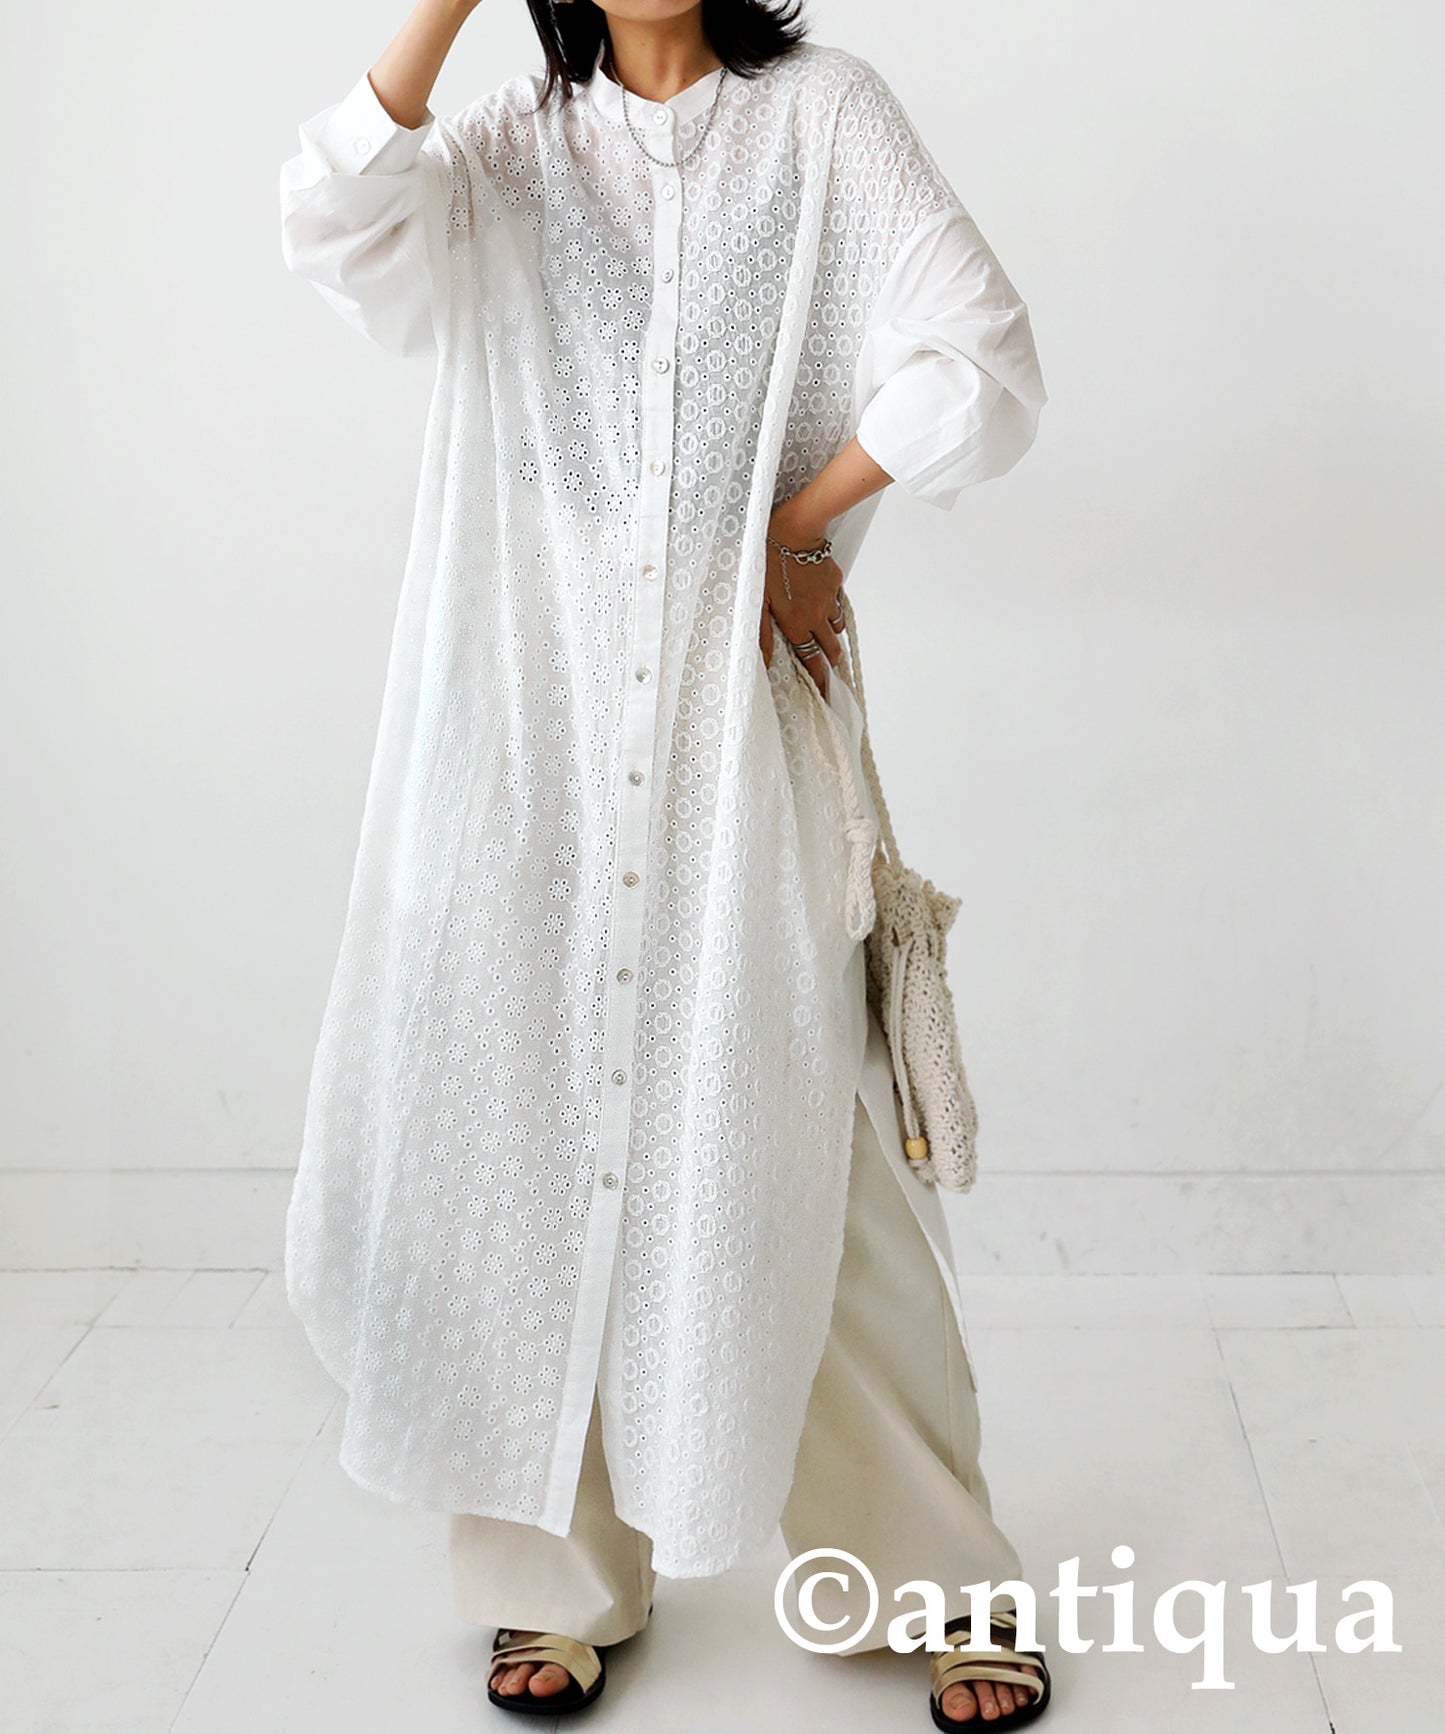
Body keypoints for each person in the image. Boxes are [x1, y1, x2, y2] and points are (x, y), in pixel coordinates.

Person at [278, 0, 1049, 1723]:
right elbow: (335, 224)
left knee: (795, 1143)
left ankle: (935, 1576)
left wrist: (795, 525)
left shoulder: (823, 117)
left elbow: (979, 347)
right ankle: (552, 1584)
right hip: (535, 725)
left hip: (734, 722)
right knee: (525, 1138)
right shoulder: (507, 148)